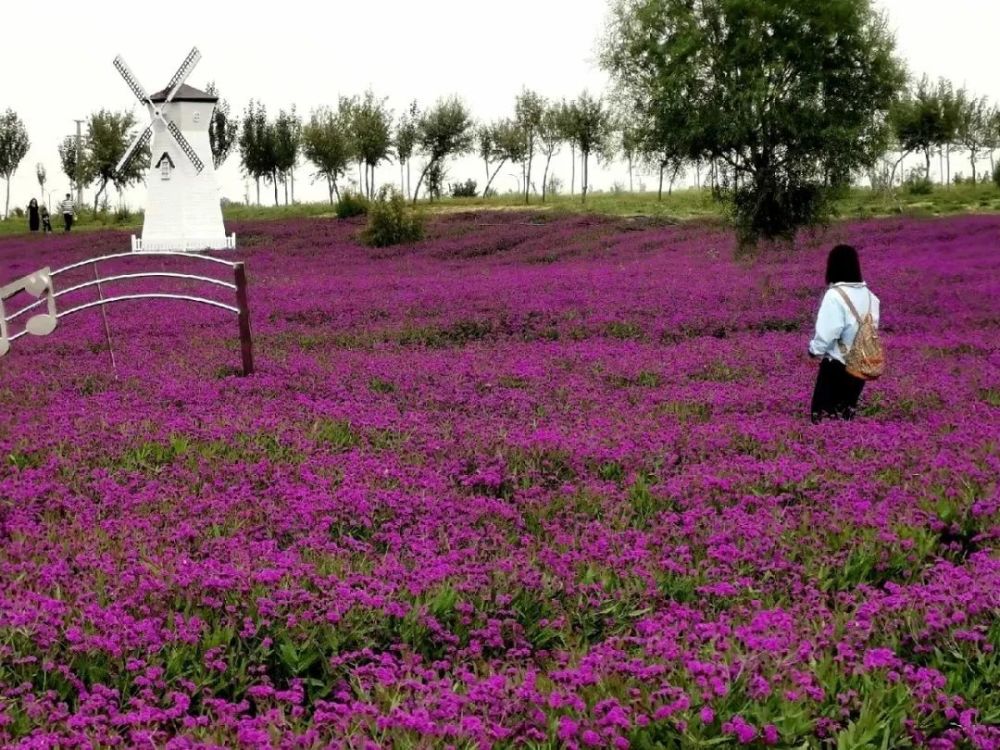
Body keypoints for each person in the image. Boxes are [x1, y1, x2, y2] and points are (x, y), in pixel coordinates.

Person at [808, 244, 880, 424]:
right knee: (845, 420)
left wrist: (814, 349)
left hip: (837, 367)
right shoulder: (872, 297)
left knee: (822, 419)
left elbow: (828, 331)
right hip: (860, 367)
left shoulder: (834, 295)